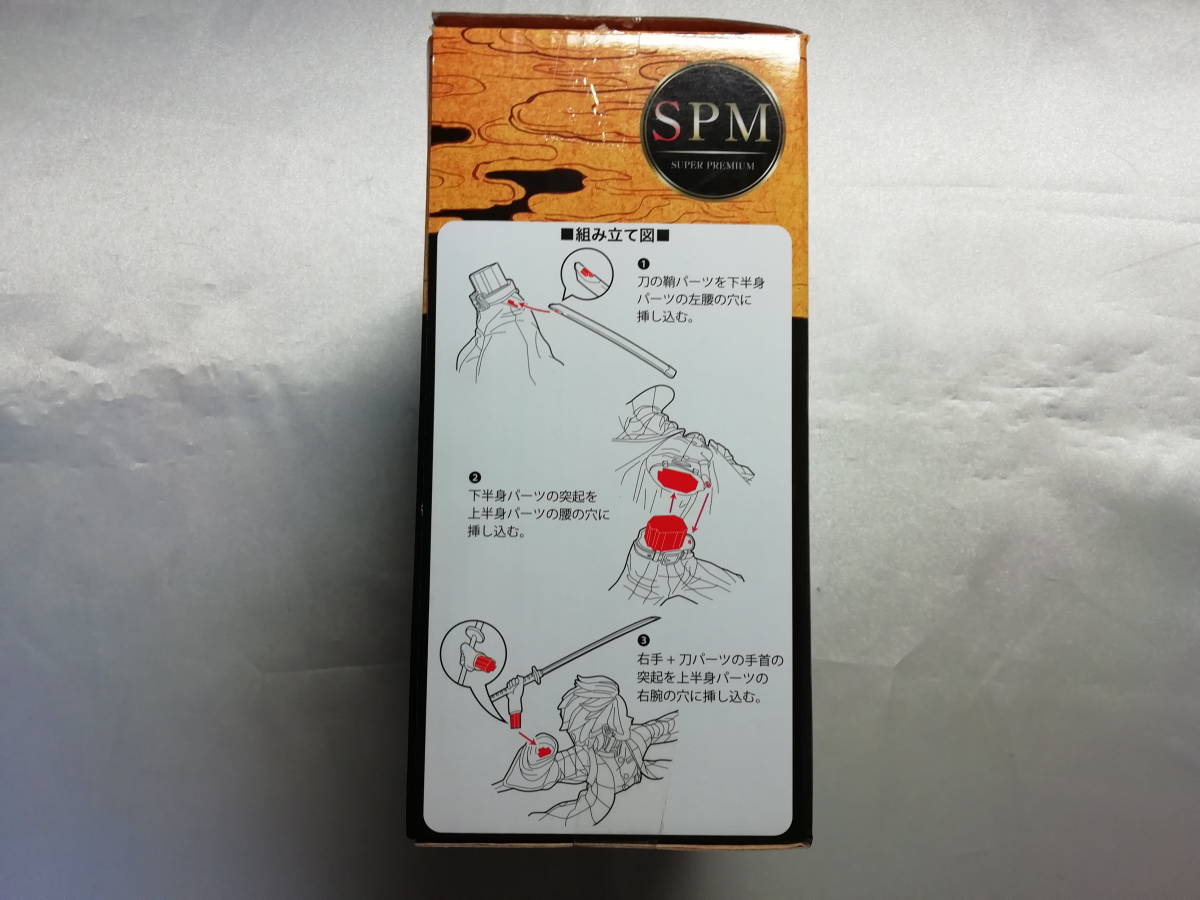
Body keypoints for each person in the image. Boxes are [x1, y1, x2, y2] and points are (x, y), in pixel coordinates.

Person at [493, 674, 677, 825]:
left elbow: (669, 725)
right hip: (599, 812)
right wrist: (515, 706)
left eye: (583, 733)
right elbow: (539, 772)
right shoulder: (583, 757)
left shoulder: (636, 737)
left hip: (649, 802)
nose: (578, 740)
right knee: (544, 821)